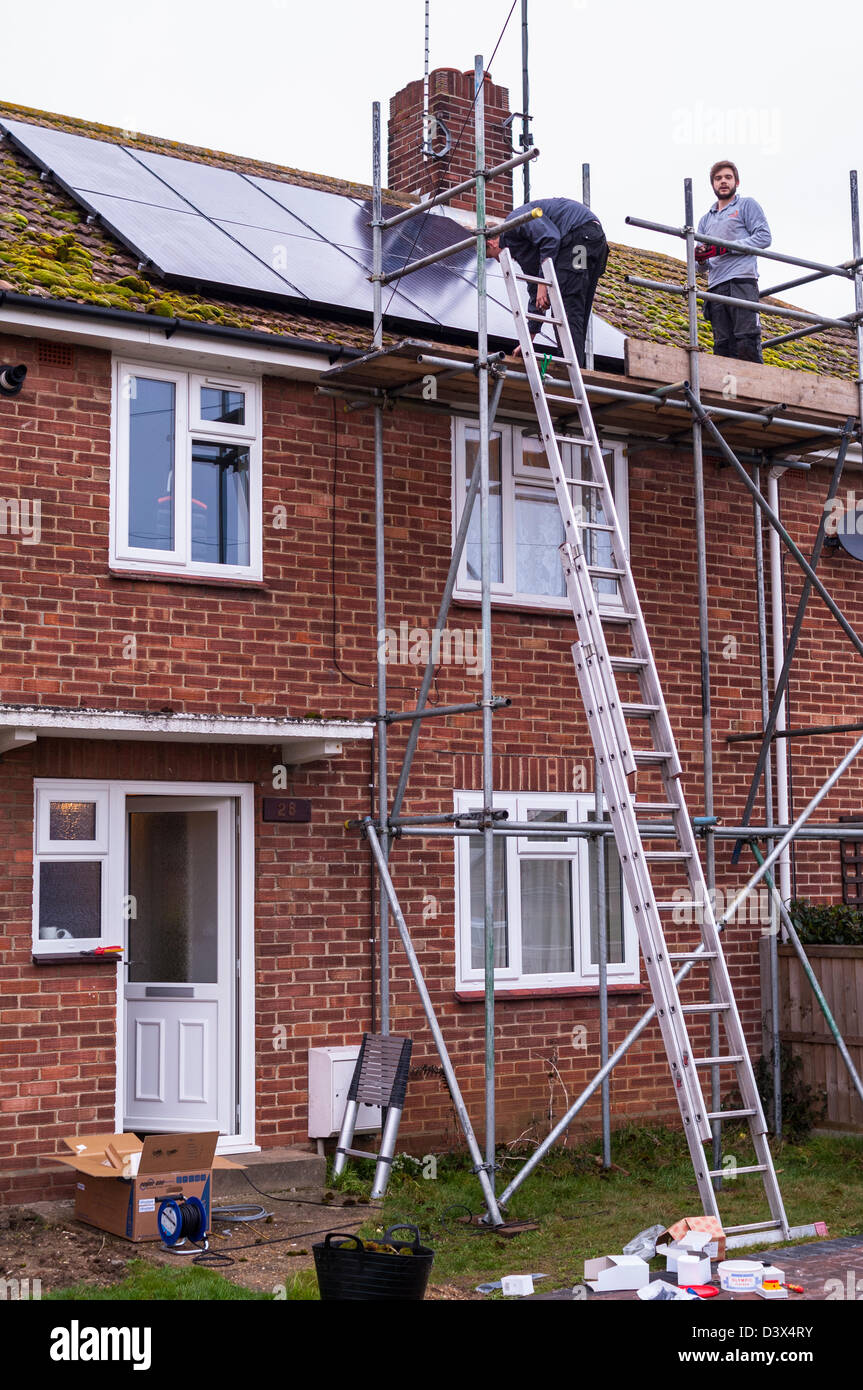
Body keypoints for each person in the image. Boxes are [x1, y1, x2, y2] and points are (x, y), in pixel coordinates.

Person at [485, 197, 608, 368]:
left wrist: (544, 284)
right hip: (591, 243)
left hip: (579, 239)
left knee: (566, 304)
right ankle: (575, 365)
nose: (499, 261)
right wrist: (529, 340)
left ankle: (570, 366)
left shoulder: (514, 222)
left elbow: (550, 238)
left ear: (491, 243)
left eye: (492, 256)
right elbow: (535, 288)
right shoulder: (523, 249)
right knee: (575, 305)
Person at [696, 161, 772, 362]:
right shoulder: (705, 220)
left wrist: (726, 247)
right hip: (715, 286)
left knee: (746, 339)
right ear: (712, 184)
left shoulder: (746, 205)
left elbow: (764, 237)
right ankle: (727, 392)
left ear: (736, 182)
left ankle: (753, 389)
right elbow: (699, 268)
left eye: (728, 177)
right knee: (722, 345)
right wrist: (701, 257)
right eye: (718, 178)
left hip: (741, 281)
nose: (723, 182)